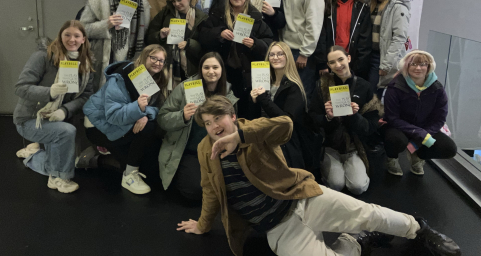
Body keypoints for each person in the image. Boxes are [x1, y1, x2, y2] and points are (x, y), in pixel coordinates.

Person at [176, 96, 461, 256]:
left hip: (302, 198)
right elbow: (210, 190)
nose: (214, 126)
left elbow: (285, 125)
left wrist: (241, 136)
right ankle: (357, 243)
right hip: (277, 228)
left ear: (233, 117)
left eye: (219, 118)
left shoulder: (254, 129)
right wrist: (202, 225)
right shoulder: (205, 150)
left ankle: (419, 229)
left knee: (368, 212)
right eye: (208, 122)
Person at [14, 20, 94, 193]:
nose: (71, 39)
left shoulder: (85, 63)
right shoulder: (43, 57)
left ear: (83, 39)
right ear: (60, 36)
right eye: (67, 34)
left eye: (76, 36)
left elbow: (86, 95)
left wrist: (64, 110)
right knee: (66, 133)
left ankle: (33, 156)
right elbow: (20, 88)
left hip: (59, 117)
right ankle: (58, 178)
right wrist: (49, 92)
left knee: (63, 155)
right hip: (30, 119)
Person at [80, 44, 169, 194]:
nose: (157, 63)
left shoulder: (157, 80)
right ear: (143, 57)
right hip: (99, 127)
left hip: (124, 125)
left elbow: (158, 109)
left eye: (161, 60)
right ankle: (129, 175)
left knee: (148, 168)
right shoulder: (120, 79)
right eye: (154, 58)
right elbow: (113, 115)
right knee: (148, 129)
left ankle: (97, 157)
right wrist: (138, 109)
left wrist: (144, 113)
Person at [157, 52, 238, 200]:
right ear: (200, 69)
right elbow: (162, 118)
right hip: (188, 151)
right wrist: (182, 116)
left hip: (217, 151)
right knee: (193, 192)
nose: (211, 71)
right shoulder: (185, 88)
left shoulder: (229, 93)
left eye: (215, 67)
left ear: (222, 70)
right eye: (206, 67)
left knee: (231, 188)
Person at [308, 46, 381, 195]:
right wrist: (328, 117)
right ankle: (329, 166)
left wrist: (355, 115)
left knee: (358, 187)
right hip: (330, 145)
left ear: (348, 58)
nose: (338, 65)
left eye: (341, 59)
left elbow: (370, 126)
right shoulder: (321, 85)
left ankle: (351, 167)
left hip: (354, 146)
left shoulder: (364, 86)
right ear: (328, 65)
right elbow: (312, 118)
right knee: (336, 185)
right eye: (332, 62)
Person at [200, 0, 273, 119]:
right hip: (223, 72)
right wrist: (219, 34)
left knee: (248, 112)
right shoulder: (218, 14)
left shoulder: (255, 17)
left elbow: (270, 43)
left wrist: (255, 44)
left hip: (247, 75)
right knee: (223, 111)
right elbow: (203, 36)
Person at [383, 50, 457, 176]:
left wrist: (423, 136)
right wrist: (418, 133)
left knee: (449, 149)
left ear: (429, 67)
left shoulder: (437, 89)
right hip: (399, 127)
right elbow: (392, 117)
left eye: (423, 64)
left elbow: (440, 118)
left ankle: (419, 156)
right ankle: (392, 159)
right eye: (413, 64)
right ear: (406, 65)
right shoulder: (395, 86)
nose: (418, 68)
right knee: (395, 140)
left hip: (425, 127)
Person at [81, 0, 149, 91]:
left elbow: (143, 33)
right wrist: (106, 24)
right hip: (104, 56)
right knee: (101, 94)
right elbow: (83, 29)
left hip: (130, 58)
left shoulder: (142, 3)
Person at [250, 41, 307, 169]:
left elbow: (286, 121)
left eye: (280, 54)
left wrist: (263, 98)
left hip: (284, 146)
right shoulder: (263, 84)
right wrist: (254, 102)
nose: (275, 58)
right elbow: (255, 117)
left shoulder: (294, 87)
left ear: (288, 57)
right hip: (261, 139)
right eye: (272, 55)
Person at [279, 0, 324, 101]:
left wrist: (305, 53)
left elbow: (315, 24)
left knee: (302, 95)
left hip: (301, 53)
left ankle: (303, 125)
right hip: (285, 50)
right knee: (286, 95)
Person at [145, 0, 208, 90]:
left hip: (191, 70)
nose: (176, 4)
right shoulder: (165, 13)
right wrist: (160, 35)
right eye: (173, 1)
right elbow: (149, 39)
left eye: (179, 0)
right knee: (166, 100)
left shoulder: (201, 18)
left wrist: (189, 44)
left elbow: (205, 48)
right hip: (166, 67)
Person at [316, 0, 371, 79]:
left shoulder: (362, 8)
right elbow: (321, 35)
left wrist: (358, 66)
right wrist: (323, 63)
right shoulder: (326, 5)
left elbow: (364, 41)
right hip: (330, 61)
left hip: (353, 62)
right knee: (330, 94)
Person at [365, 0, 410, 96]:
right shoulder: (370, 4)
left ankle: (376, 116)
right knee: (368, 93)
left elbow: (399, 38)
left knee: (374, 95)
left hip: (383, 58)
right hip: (369, 56)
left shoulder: (398, 7)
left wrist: (386, 65)